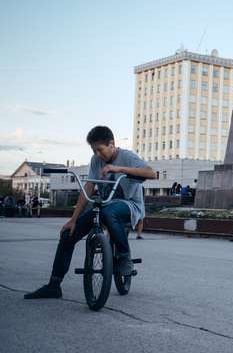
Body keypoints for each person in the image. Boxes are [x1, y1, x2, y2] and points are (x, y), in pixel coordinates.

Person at [24, 125, 156, 299]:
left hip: (129, 205)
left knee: (110, 213)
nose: (98, 155)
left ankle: (124, 257)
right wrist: (73, 219)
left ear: (111, 144)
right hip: (103, 206)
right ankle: (54, 285)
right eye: (94, 151)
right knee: (67, 235)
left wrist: (118, 169)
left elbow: (151, 173)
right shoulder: (96, 160)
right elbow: (89, 186)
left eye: (100, 150)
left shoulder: (128, 156)